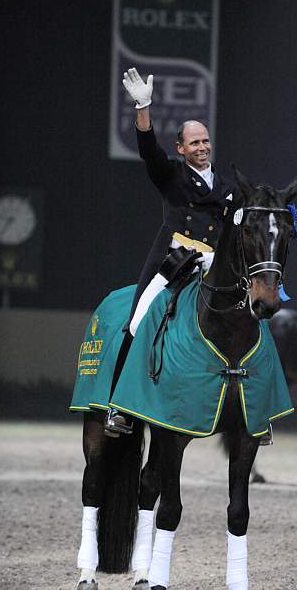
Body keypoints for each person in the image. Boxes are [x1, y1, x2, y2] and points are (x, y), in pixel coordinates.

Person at [105, 67, 237, 435]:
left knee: (253, 317)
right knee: (137, 321)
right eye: (194, 143)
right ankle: (119, 406)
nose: (202, 147)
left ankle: (252, 410)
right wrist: (143, 108)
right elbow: (149, 150)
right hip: (173, 264)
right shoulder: (172, 175)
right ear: (181, 148)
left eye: (205, 141)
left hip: (213, 266)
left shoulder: (228, 188)